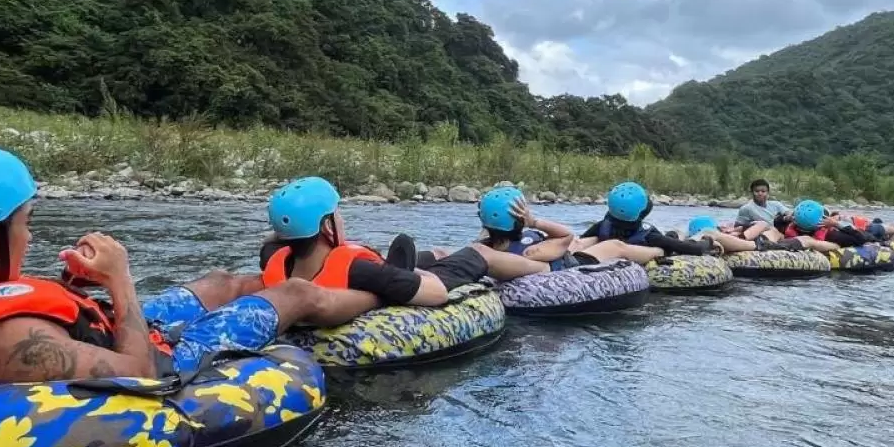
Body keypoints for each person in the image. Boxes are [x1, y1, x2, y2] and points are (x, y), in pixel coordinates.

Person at [0, 147, 378, 388]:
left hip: (114, 329)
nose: (29, 237)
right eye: (25, 223)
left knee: (222, 282)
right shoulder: (5, 342)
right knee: (296, 293)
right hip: (163, 358)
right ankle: (378, 290)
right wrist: (120, 280)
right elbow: (140, 373)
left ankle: (335, 274)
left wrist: (74, 289)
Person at [259, 177, 544, 305]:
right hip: (415, 280)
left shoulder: (274, 257)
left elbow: (276, 238)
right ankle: (542, 269)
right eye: (338, 214)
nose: (342, 219)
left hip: (353, 263)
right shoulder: (363, 271)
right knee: (479, 251)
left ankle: (431, 257)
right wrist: (409, 274)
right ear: (326, 226)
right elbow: (437, 294)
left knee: (437, 252)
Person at [476, 188, 665, 268]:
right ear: (520, 221)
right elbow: (566, 235)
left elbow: (487, 230)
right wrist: (533, 222)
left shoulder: (487, 245)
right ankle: (660, 249)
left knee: (586, 240)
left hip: (559, 252)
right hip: (573, 263)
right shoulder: (532, 251)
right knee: (615, 245)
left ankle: (639, 241)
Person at [581, 182, 724, 258]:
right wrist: (709, 243)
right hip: (661, 243)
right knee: (673, 237)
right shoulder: (649, 236)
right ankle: (679, 233)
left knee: (673, 235)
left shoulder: (601, 227)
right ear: (642, 212)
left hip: (655, 241)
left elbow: (582, 240)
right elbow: (693, 249)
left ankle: (676, 233)